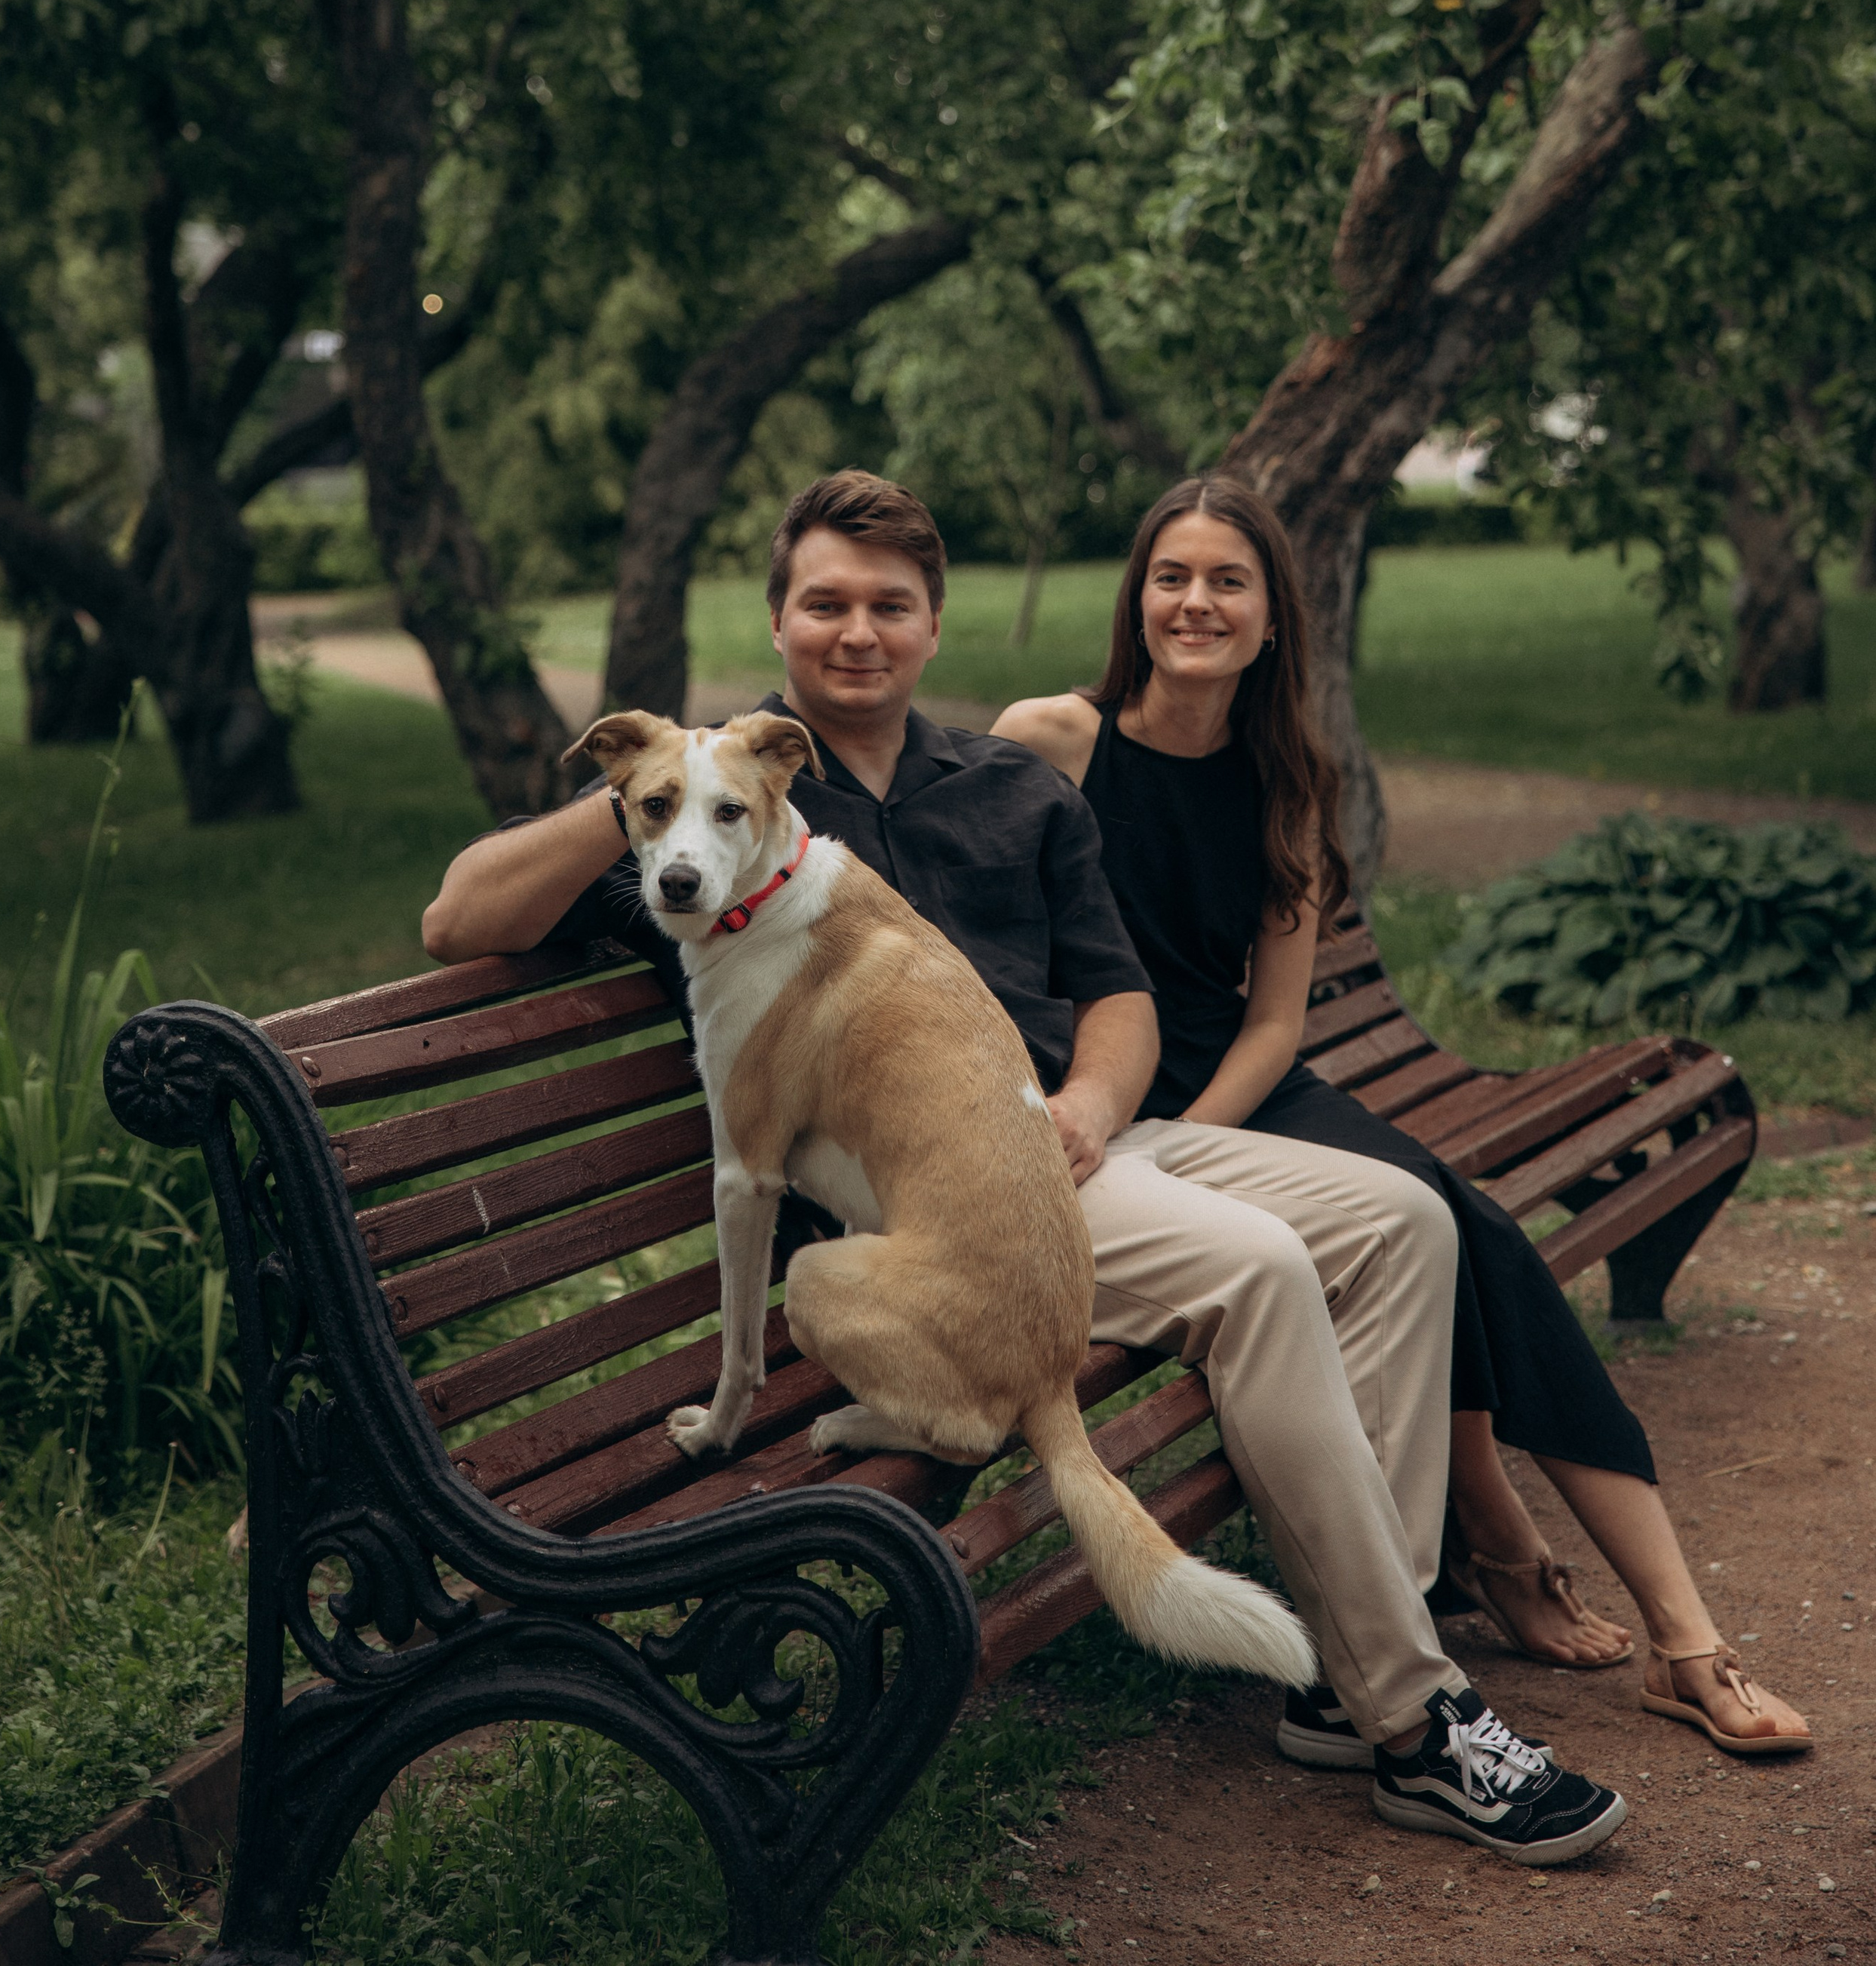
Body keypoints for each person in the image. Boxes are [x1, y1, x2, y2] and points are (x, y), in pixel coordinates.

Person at [425, 468, 1632, 1861]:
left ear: (935, 626)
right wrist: (664, 793)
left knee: (1408, 1223)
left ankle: (1364, 1649)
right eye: (825, 605)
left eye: (891, 606)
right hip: (946, 1210)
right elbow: (459, 918)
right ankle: (1416, 1720)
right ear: (780, 624)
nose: (857, 633)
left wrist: (1093, 1109)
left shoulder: (1008, 783)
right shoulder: (715, 831)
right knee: (1262, 1270)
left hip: (1078, 1137)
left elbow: (1117, 991)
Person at [992, 471, 1810, 1763]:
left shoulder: (1288, 780)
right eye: (1171, 576)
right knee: (1445, 1232)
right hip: (1104, 1106)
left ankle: (1670, 1627)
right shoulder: (1052, 742)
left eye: (1227, 582)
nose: (1194, 602)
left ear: (1273, 621)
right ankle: (1528, 1565)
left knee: (1465, 1232)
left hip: (1240, 1098)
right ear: (1134, 597)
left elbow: (1271, 1021)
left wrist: (1202, 1140)